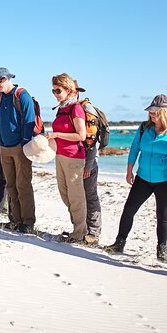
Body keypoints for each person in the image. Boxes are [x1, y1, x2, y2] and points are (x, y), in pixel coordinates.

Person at [104, 94, 167, 261]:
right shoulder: (144, 128)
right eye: (151, 111)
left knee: (162, 214)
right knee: (129, 210)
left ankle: (161, 250)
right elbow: (134, 149)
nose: (152, 114)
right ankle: (119, 243)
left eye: (155, 112)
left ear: (166, 113)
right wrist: (129, 171)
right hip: (143, 178)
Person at [0, 67, 37, 234]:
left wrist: (24, 144)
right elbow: (0, 120)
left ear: (9, 78)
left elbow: (29, 121)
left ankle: (28, 222)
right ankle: (15, 220)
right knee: (10, 185)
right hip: (4, 147)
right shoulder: (1, 97)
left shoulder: (21, 95)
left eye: (0, 80)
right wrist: (0, 142)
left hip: (20, 147)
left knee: (23, 184)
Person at [46, 73, 88, 243]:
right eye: (53, 91)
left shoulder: (75, 108)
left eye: (58, 90)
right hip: (60, 156)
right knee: (65, 194)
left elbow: (81, 135)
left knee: (76, 196)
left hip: (74, 158)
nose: (55, 94)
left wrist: (56, 134)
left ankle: (80, 233)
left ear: (69, 90)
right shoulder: (62, 108)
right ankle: (76, 229)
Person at [74, 81, 102, 245]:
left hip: (87, 161)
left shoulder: (86, 109)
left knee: (90, 195)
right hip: (75, 160)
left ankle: (94, 232)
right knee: (79, 196)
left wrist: (89, 164)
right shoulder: (71, 109)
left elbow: (92, 140)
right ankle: (82, 229)